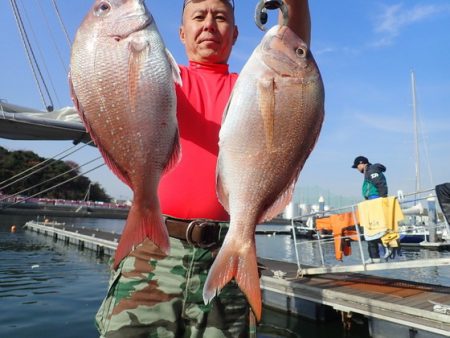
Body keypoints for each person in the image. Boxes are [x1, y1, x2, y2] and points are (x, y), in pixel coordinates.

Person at [95, 1, 312, 337]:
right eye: (198, 16)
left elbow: (295, 47)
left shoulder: (255, 85)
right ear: (181, 33)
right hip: (154, 248)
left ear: (236, 34)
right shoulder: (160, 78)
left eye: (221, 17)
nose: (209, 25)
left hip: (227, 248)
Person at [352, 155, 388, 263]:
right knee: (369, 230)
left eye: (357, 166)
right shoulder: (368, 171)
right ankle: (374, 257)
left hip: (376, 201)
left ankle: (388, 246)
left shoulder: (372, 170)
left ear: (361, 164)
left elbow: (380, 185)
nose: (357, 169)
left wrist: (382, 201)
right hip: (370, 202)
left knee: (377, 228)